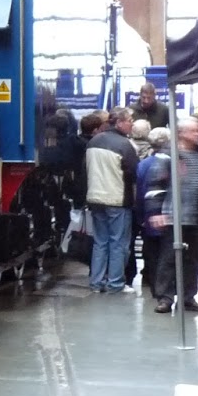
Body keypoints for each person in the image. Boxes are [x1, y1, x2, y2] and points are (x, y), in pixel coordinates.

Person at [149, 121, 198, 351]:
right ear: (182, 133)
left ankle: (188, 296)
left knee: (195, 259)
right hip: (174, 215)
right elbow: (156, 185)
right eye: (194, 130)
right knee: (169, 258)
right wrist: (155, 211)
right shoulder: (167, 157)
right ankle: (165, 297)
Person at [85, 107, 137, 293]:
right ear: (119, 122)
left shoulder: (93, 141)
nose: (132, 123)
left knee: (100, 242)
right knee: (118, 243)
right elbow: (133, 172)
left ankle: (96, 282)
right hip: (117, 199)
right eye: (130, 120)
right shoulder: (124, 145)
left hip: (95, 198)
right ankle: (115, 283)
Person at [136, 127, 174, 312]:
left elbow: (140, 192)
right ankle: (165, 289)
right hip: (167, 216)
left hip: (149, 217)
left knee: (151, 253)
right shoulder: (171, 163)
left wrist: (141, 216)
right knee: (167, 256)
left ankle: (153, 285)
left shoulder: (143, 164)